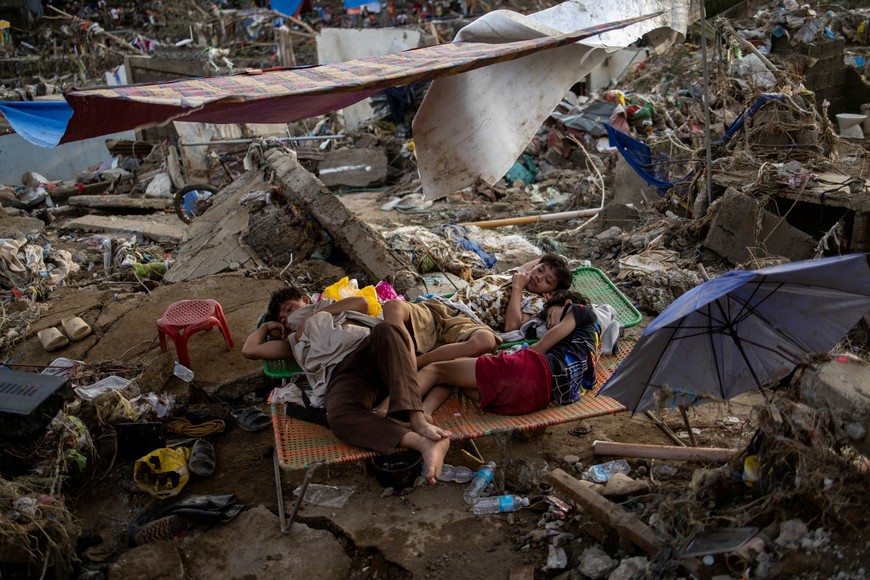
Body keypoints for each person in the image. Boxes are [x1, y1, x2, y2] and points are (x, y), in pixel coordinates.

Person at [242, 288, 451, 484]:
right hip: (343, 376)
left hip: (370, 349)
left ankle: (416, 418)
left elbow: (362, 303)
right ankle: (422, 443)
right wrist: (266, 327)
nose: (287, 318)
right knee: (338, 416)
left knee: (388, 330)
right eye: (282, 319)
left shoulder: (330, 308)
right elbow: (250, 350)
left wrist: (313, 315)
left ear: (305, 300)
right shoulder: (292, 342)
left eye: (289, 308)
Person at [414, 290, 600, 418]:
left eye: (550, 316)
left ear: (568, 304)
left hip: (528, 371)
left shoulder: (581, 312)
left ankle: (394, 407)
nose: (550, 325)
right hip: (533, 399)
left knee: (434, 369)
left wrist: (506, 359)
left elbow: (540, 347)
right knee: (453, 374)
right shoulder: (590, 342)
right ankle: (424, 413)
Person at [382, 253, 573, 369]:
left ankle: (415, 363)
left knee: (486, 340)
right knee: (393, 306)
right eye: (540, 270)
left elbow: (512, 327)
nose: (539, 278)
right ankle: (405, 359)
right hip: (443, 308)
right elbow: (543, 260)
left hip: (469, 323)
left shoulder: (535, 301)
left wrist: (518, 289)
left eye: (548, 281)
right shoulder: (515, 273)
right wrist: (543, 267)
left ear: (552, 291)